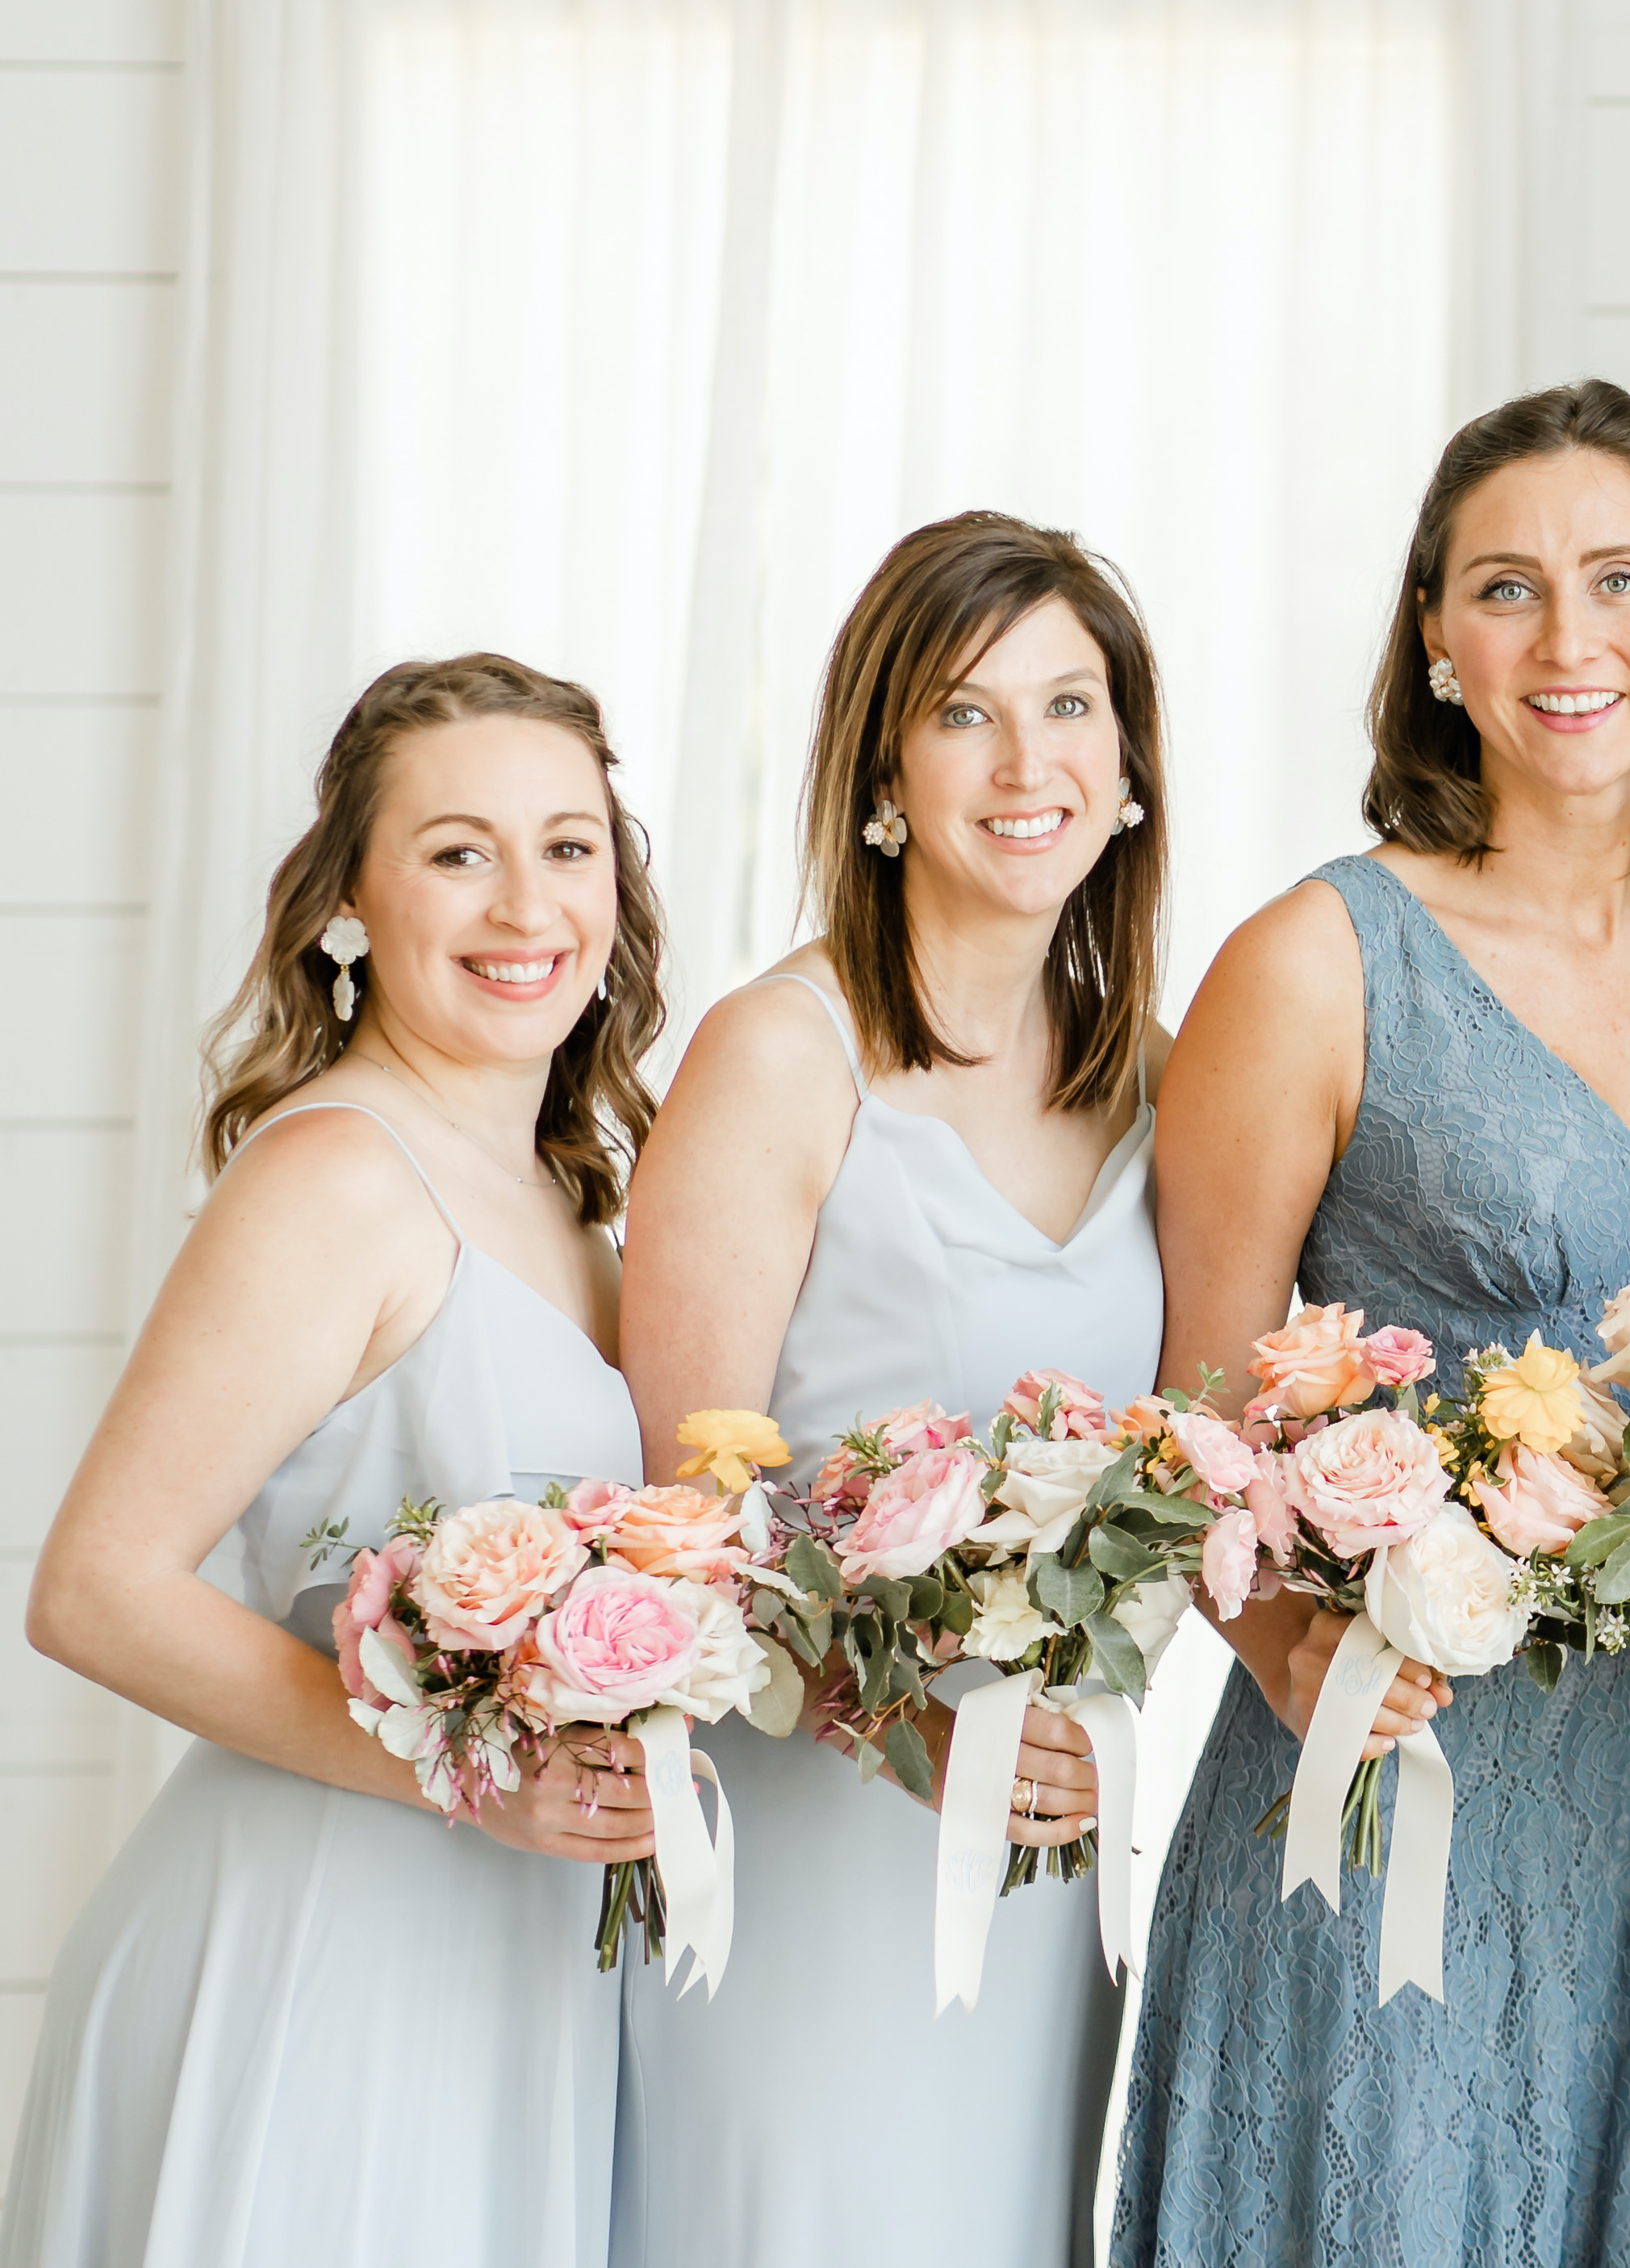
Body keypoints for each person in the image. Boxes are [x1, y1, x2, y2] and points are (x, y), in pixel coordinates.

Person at [1110, 379, 1630, 2268]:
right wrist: (1292, 1650)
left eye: (1620, 579)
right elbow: (1196, 1416)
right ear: (1436, 640)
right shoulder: (1315, 960)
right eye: (1505, 589)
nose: (1569, 638)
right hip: (1405, 1790)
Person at [5, 657, 665, 2267]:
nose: (528, 903)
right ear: (351, 903)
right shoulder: (338, 1181)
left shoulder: (575, 1198)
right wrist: (470, 1775)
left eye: (569, 847)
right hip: (322, 1948)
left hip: (504, 1965)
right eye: (459, 851)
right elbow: (96, 1589)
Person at [613, 513, 1168, 2266]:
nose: (1028, 764)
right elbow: (683, 1524)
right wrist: (912, 1734)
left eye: (1071, 706)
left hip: (1050, 1862)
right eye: (965, 713)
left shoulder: (1160, 1077)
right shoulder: (782, 1054)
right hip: (816, 1838)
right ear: (883, 771)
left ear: (1131, 768)